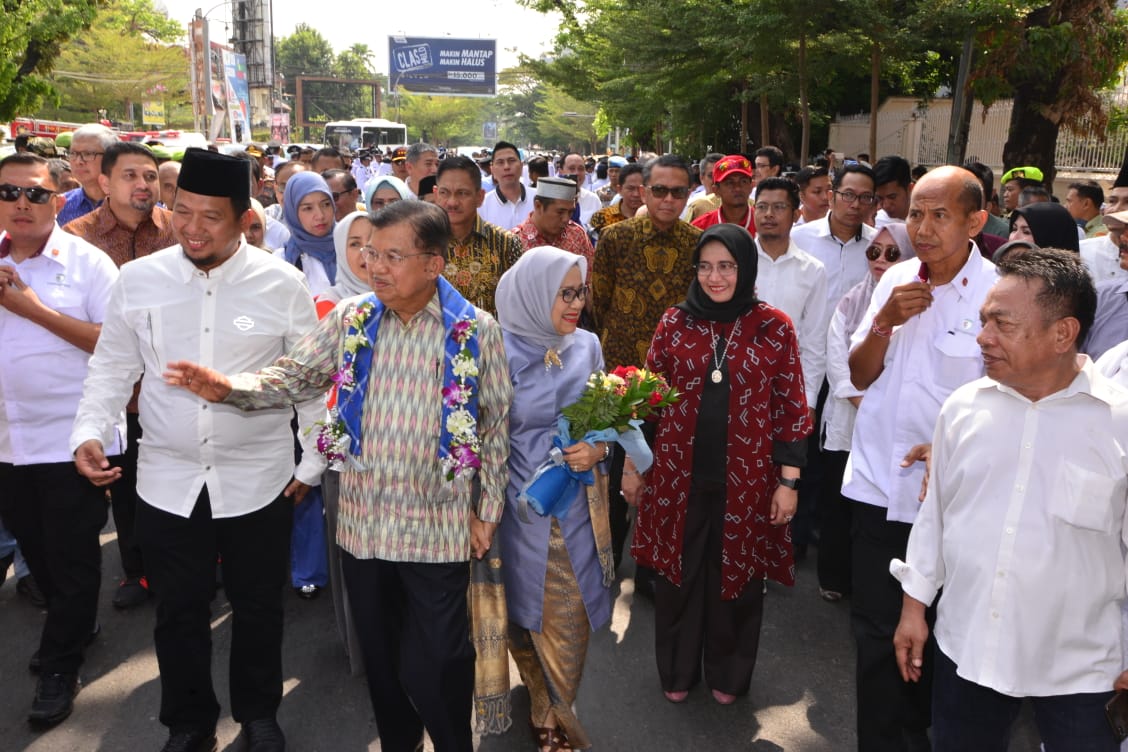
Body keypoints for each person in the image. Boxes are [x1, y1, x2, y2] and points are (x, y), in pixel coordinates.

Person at [161, 200, 512, 752]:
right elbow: (296, 375)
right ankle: (400, 743)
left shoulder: (474, 331)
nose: (376, 266)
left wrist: (486, 511)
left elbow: (493, 425)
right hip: (364, 526)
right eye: (372, 252)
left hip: (438, 525)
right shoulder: (352, 320)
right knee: (382, 657)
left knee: (440, 658)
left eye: (393, 256)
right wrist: (230, 387)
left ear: (433, 264)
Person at [70, 148, 323, 752]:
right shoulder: (139, 281)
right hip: (166, 480)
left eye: (211, 216)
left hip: (259, 480)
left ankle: (259, 713)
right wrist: (88, 431)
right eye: (182, 211)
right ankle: (189, 722)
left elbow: (312, 380)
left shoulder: (280, 284)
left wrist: (313, 461)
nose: (193, 228)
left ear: (242, 218)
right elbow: (111, 367)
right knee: (178, 611)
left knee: (258, 606)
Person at [893, 248, 1126, 751]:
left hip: (1081, 669)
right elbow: (934, 518)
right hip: (967, 647)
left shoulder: (1119, 423)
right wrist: (915, 607)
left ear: (1063, 333)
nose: (982, 338)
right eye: (983, 320)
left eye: (1001, 323)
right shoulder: (962, 409)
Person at [627, 223, 812, 705]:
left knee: (738, 580)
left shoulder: (775, 327)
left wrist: (788, 480)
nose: (715, 277)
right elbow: (646, 401)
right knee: (675, 579)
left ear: (744, 269)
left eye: (726, 266)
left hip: (748, 481)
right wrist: (632, 464)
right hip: (674, 477)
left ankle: (728, 676)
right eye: (706, 267)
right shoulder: (675, 322)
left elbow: (791, 408)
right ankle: (677, 670)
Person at [844, 165, 995, 751]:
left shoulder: (997, 293)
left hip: (951, 501)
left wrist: (953, 444)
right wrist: (884, 322)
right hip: (879, 490)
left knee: (940, 643)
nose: (923, 228)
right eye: (916, 214)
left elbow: (1005, 401)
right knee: (875, 638)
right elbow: (859, 374)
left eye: (940, 215)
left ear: (976, 221)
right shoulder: (897, 278)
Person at [0, 153, 121, 727]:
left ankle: (60, 664)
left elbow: (115, 346)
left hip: (73, 438)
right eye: (9, 193)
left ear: (58, 196)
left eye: (35, 194)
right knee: (36, 555)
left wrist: (29, 308)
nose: (22, 204)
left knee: (73, 560)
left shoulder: (89, 263)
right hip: (6, 442)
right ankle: (72, 626)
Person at [495, 246, 613, 751]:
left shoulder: (587, 345)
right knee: (520, 619)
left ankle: (556, 720)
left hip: (577, 510)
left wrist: (601, 446)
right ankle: (538, 690)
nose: (576, 304)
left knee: (570, 616)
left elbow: (612, 418)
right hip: (514, 514)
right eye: (564, 293)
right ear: (534, 293)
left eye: (579, 292)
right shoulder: (495, 348)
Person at [63, 141, 178, 610]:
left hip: (174, 384)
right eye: (131, 176)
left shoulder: (177, 230)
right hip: (116, 391)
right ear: (104, 182)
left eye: (150, 176)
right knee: (127, 487)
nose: (143, 185)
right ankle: (137, 571)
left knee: (178, 480)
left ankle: (186, 565)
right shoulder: (77, 239)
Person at [591, 154, 701, 572]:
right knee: (615, 475)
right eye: (659, 190)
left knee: (669, 475)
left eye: (678, 191)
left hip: (676, 384)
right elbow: (599, 303)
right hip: (621, 379)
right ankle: (608, 560)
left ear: (688, 194)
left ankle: (656, 567)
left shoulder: (697, 245)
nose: (668, 199)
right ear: (643, 191)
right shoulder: (615, 239)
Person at [817, 224, 914, 602]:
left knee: (881, 514)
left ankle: (874, 586)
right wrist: (874, 407)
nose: (881, 261)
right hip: (847, 422)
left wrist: (886, 412)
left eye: (893, 253)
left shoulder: (923, 306)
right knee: (840, 507)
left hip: (895, 431)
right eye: (875, 252)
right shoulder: (851, 301)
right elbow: (840, 368)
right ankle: (835, 578)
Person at [435, 155, 523, 316]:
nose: (452, 202)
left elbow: (519, 304)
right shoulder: (422, 242)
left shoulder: (506, 243)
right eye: (445, 193)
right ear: (436, 194)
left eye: (462, 193)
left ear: (480, 197)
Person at [515, 177, 595, 277]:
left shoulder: (577, 235)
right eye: (560, 212)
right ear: (538, 206)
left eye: (570, 212)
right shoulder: (516, 242)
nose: (566, 219)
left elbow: (590, 280)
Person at [57, 123, 117, 226]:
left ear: (111, 158)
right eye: (73, 153)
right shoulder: (61, 205)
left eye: (88, 154)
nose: (78, 161)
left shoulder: (132, 205)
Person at [692, 154, 755, 233]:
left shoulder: (765, 224)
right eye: (729, 183)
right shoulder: (700, 227)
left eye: (743, 181)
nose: (737, 188)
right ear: (716, 190)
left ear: (752, 186)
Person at [480, 141, 536, 231]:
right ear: (492, 169)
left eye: (512, 161)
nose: (506, 167)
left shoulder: (539, 199)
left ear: (521, 166)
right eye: (500, 162)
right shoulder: (482, 206)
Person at [589, 162, 644, 240]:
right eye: (630, 189)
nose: (636, 194)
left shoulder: (654, 218)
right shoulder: (601, 217)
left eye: (640, 189)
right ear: (620, 190)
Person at [1008, 201, 1080, 253]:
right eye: (1014, 229)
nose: (1014, 238)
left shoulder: (1066, 274)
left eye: (1026, 232)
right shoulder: (1001, 270)